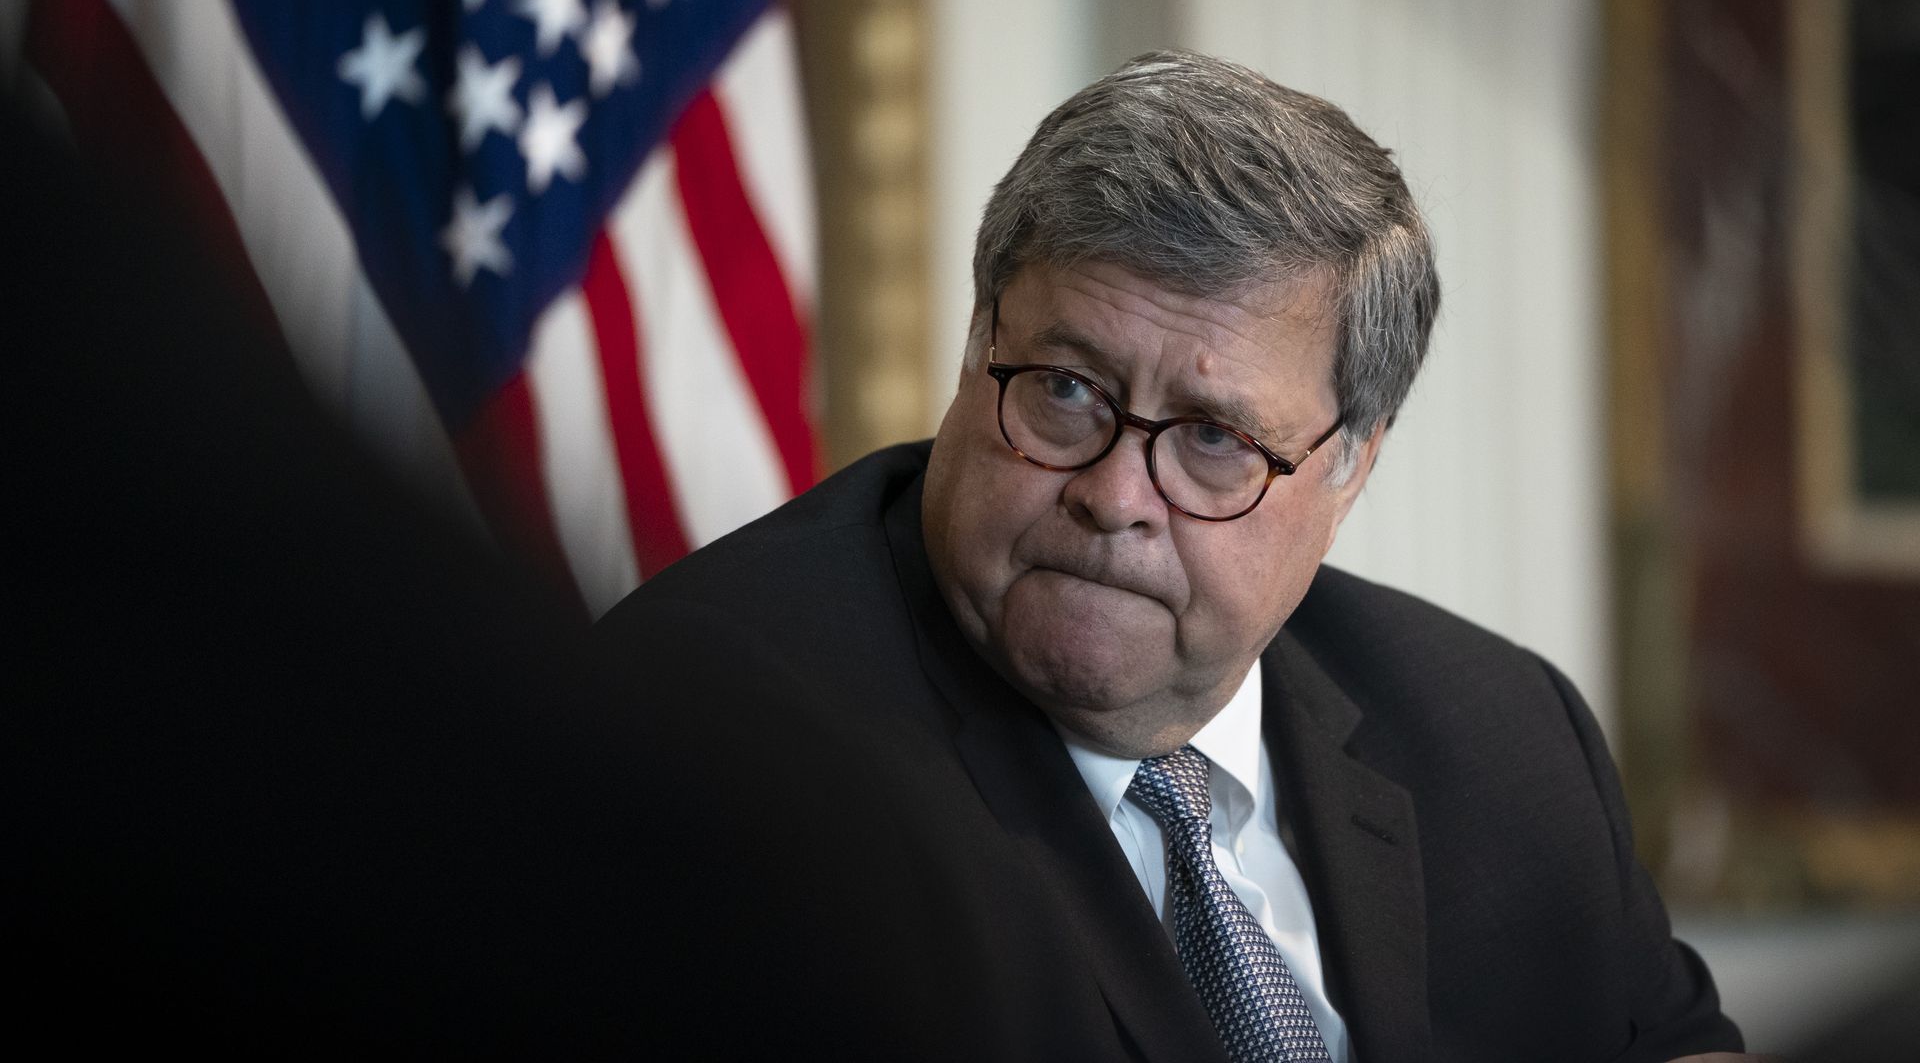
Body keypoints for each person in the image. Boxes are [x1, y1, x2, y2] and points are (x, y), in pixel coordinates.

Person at [594, 51, 1748, 1061]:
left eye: (1211, 440)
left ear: (1350, 465)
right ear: (975, 343)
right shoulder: (717, 743)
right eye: (1063, 390)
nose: (1112, 495)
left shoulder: (1500, 736)